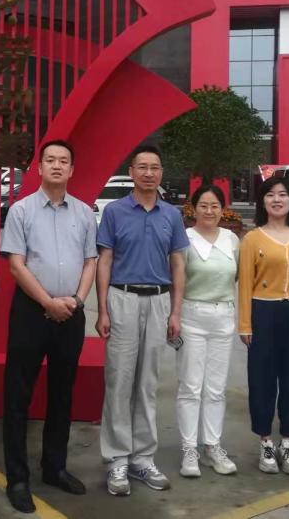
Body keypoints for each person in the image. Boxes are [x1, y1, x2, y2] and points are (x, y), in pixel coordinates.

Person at [0, 140, 97, 513]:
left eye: (63, 161)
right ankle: (17, 478)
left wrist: (77, 301)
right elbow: (16, 265)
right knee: (18, 396)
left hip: (71, 312)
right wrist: (47, 302)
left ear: (72, 170)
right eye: (50, 160)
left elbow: (90, 261)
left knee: (62, 393)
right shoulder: (21, 210)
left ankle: (55, 467)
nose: (57, 166)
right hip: (31, 311)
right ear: (39, 168)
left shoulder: (84, 213)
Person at [96, 145, 187, 496]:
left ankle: (143, 457)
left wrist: (175, 311)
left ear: (161, 173)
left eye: (155, 167)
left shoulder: (171, 215)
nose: (149, 173)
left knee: (148, 384)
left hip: (159, 300)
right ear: (131, 171)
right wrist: (103, 309)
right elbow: (105, 260)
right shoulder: (115, 212)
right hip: (122, 298)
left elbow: (177, 264)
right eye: (143, 167)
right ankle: (117, 458)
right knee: (119, 381)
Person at [238, 176, 289, 477]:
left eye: (283, 194)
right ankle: (265, 441)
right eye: (271, 194)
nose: (277, 199)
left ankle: (287, 442)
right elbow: (245, 284)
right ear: (263, 201)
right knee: (261, 379)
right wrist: (245, 324)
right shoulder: (253, 239)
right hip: (263, 311)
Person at [176, 185, 240, 479]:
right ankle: (189, 449)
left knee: (215, 388)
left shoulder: (232, 240)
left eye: (215, 206)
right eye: (203, 205)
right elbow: (176, 279)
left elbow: (236, 277)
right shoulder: (184, 239)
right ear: (193, 208)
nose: (209, 211)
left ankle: (212, 445)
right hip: (192, 316)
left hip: (223, 317)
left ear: (223, 209)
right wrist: (174, 315)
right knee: (191, 386)